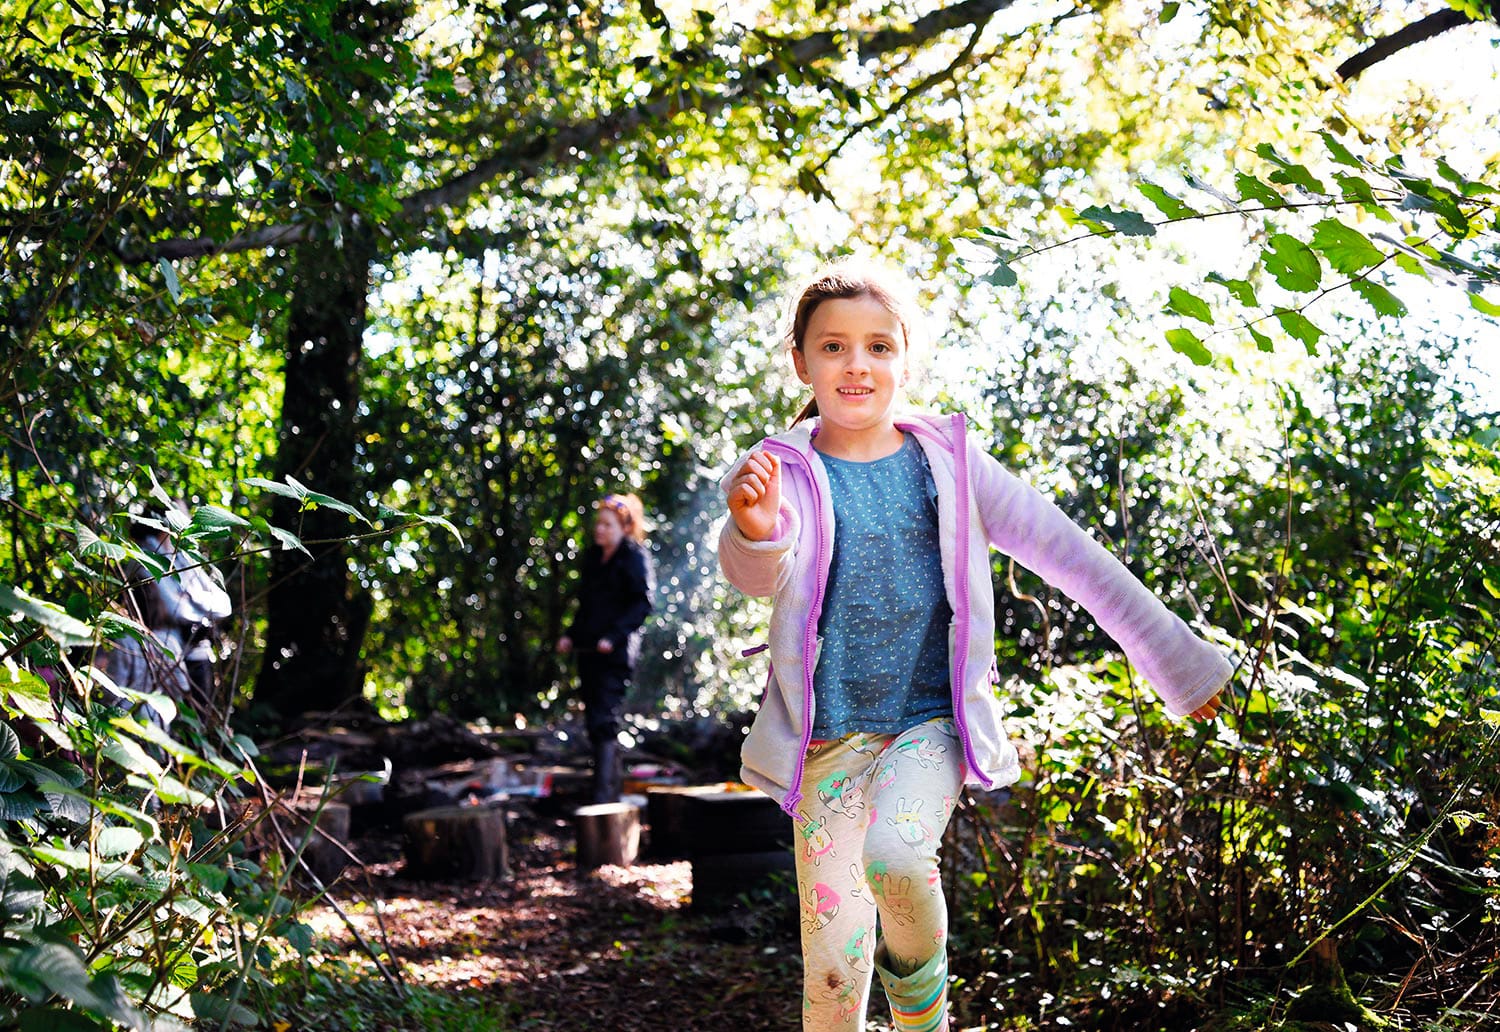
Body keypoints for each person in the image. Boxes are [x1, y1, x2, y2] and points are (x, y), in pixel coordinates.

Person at [716, 257, 1230, 1032]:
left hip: (927, 723)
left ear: (905, 358)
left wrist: (1181, 666)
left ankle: (924, 1018)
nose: (857, 364)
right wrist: (752, 530)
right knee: (831, 974)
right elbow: (756, 573)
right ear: (800, 361)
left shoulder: (949, 465)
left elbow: (1071, 555)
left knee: (896, 858)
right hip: (823, 744)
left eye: (879, 347)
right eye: (833, 347)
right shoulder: (780, 471)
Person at [557, 493, 655, 804]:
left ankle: (604, 797)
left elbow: (642, 604)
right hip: (588, 650)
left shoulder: (634, 557)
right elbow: (585, 604)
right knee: (593, 721)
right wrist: (570, 635)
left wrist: (613, 636)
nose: (599, 530)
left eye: (607, 525)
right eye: (598, 524)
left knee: (604, 718)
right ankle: (608, 792)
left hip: (615, 653)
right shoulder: (593, 558)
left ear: (624, 528)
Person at [129, 515, 233, 706]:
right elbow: (176, 609)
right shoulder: (143, 557)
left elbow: (224, 605)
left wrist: (192, 595)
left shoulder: (183, 557)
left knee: (198, 716)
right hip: (166, 652)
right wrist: (200, 609)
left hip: (198, 654)